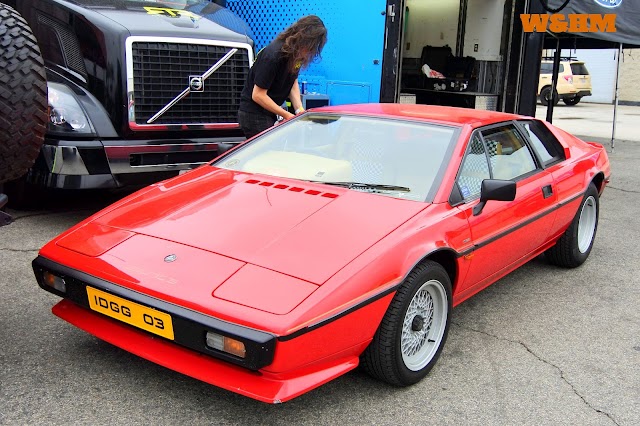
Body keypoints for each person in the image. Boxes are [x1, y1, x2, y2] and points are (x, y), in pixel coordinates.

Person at [238, 15, 327, 139]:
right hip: (253, 114)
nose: (312, 52)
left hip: (268, 112)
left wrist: (299, 109)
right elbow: (258, 95)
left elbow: (292, 81)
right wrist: (287, 115)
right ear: (304, 39)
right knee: (267, 153)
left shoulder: (296, 55)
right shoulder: (273, 55)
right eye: (312, 46)